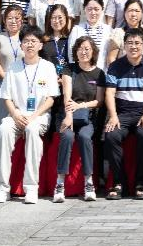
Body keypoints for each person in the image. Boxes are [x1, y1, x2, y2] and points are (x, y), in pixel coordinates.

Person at [0, 26, 61, 204]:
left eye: (33, 41)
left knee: (32, 129)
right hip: (16, 115)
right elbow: (6, 97)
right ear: (21, 45)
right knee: (4, 130)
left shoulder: (48, 67)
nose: (29, 44)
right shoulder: (13, 67)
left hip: (39, 115)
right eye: (26, 41)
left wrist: (34, 116)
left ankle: (31, 188)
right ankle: (2, 188)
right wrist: (15, 114)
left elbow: (51, 99)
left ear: (40, 45)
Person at [102, 27, 143, 200]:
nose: (133, 46)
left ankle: (141, 183)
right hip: (122, 113)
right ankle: (119, 183)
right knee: (111, 135)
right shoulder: (115, 66)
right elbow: (109, 93)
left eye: (137, 43)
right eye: (130, 43)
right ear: (124, 45)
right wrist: (113, 116)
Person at [55, 35, 105, 202]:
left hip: (88, 117)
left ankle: (89, 182)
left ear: (93, 52)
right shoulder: (69, 69)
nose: (83, 52)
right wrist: (69, 115)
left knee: (84, 136)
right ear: (75, 51)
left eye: (87, 49)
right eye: (80, 49)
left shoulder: (99, 73)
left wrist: (81, 106)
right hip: (67, 114)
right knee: (67, 137)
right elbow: (67, 95)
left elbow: (99, 101)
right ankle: (60, 183)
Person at [0, 5, 25, 150]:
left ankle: (16, 159)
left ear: (22, 20)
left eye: (17, 18)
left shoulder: (26, 38)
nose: (13, 21)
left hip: (23, 87)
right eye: (9, 18)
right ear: (4, 20)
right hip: (2, 86)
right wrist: (8, 80)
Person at [68, 0, 111, 71]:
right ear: (84, 9)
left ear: (102, 9)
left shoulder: (108, 30)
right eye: (89, 9)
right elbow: (72, 55)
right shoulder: (77, 30)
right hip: (81, 73)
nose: (93, 12)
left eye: (96, 9)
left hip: (102, 73)